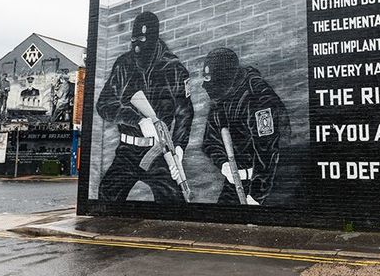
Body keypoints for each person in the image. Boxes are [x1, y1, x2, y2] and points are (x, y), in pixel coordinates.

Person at [96, 11, 194, 203]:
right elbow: (104, 104)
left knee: (174, 199)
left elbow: (185, 113)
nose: (136, 45)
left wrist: (179, 148)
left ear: (154, 38)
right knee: (107, 195)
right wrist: (138, 120)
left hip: (159, 149)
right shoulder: (124, 64)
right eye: (133, 39)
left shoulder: (174, 69)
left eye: (142, 39)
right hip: (127, 151)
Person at [201, 48, 290, 205]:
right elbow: (210, 141)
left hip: (268, 182)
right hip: (236, 181)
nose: (204, 85)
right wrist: (224, 164)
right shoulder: (221, 99)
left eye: (208, 78)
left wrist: (256, 195)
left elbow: (267, 151)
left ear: (222, 77)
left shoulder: (258, 98)